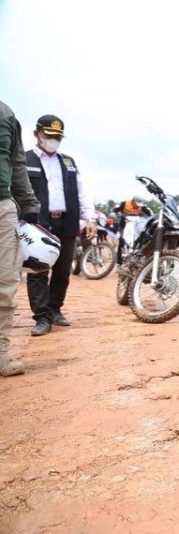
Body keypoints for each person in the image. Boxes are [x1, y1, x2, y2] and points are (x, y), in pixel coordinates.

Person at [25, 115, 96, 336]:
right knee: (38, 270)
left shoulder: (68, 161)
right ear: (37, 133)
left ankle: (55, 310)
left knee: (63, 270)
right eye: (49, 135)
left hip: (67, 221)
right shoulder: (24, 160)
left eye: (58, 137)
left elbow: (81, 191)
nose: (54, 140)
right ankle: (42, 317)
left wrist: (90, 218)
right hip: (38, 223)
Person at [0, 101, 41, 375]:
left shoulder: (6, 114)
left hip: (3, 206)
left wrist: (29, 204)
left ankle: (1, 353)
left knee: (5, 283)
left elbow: (16, 162)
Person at [112, 197, 151, 264]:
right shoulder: (124, 203)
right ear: (133, 201)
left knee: (139, 238)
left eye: (139, 205)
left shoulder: (142, 205)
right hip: (124, 221)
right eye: (137, 204)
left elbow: (150, 212)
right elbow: (114, 209)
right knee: (122, 239)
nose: (138, 206)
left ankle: (135, 256)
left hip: (135, 222)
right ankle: (119, 261)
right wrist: (120, 215)